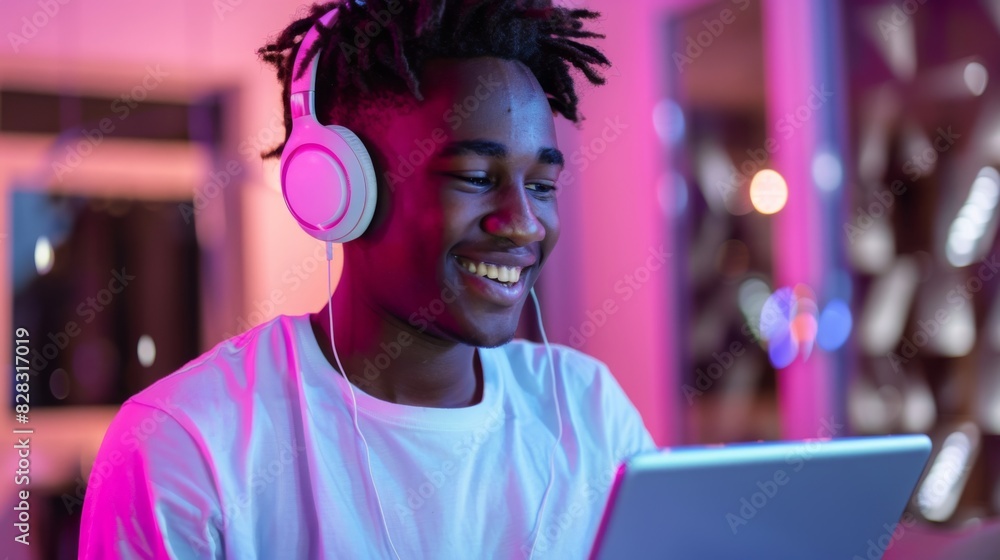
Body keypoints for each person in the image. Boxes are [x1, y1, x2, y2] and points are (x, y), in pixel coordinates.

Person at [79, 1, 654, 558]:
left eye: (543, 186)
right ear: (340, 192)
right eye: (477, 177)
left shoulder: (592, 410)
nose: (524, 223)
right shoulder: (185, 445)